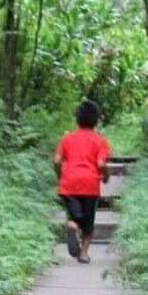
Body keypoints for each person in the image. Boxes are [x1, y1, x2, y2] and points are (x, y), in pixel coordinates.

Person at [53, 99, 111, 263]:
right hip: (90, 185)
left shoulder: (67, 139)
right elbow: (100, 163)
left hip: (69, 183)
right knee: (88, 222)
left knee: (74, 215)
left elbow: (57, 161)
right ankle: (84, 253)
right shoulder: (100, 141)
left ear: (77, 118)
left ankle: (72, 225)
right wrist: (106, 176)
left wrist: (61, 177)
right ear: (96, 120)